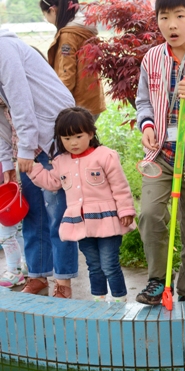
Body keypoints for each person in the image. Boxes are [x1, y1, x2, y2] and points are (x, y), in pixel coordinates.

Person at [134, 0, 185, 305]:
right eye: (164, 17)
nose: (172, 25)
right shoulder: (152, 58)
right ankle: (157, 280)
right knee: (150, 214)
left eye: (180, 16)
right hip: (161, 154)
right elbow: (143, 101)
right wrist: (147, 125)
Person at [28, 107, 135, 302]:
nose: (73, 143)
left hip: (108, 222)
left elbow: (119, 186)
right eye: (67, 138)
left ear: (91, 134)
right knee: (93, 265)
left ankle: (119, 300)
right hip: (81, 224)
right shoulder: (61, 161)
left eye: (78, 136)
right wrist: (32, 168)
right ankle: (98, 300)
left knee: (109, 264)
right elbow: (51, 182)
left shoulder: (105, 155)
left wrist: (125, 209)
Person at [0, 29, 77, 298]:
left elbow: (20, 100)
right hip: (26, 143)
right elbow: (1, 116)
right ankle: (37, 276)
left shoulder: (4, 49)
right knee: (32, 213)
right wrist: (6, 162)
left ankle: (63, 282)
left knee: (58, 214)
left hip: (52, 136)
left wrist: (25, 148)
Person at [40, 0, 106, 119]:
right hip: (91, 100)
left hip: (76, 107)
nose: (46, 19)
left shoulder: (69, 35)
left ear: (52, 10)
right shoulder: (85, 29)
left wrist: (56, 103)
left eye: (45, 14)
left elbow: (67, 74)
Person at [0, 164, 27, 288]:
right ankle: (26, 264)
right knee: (17, 232)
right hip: (9, 185)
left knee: (6, 236)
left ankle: (14, 272)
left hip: (5, 190)